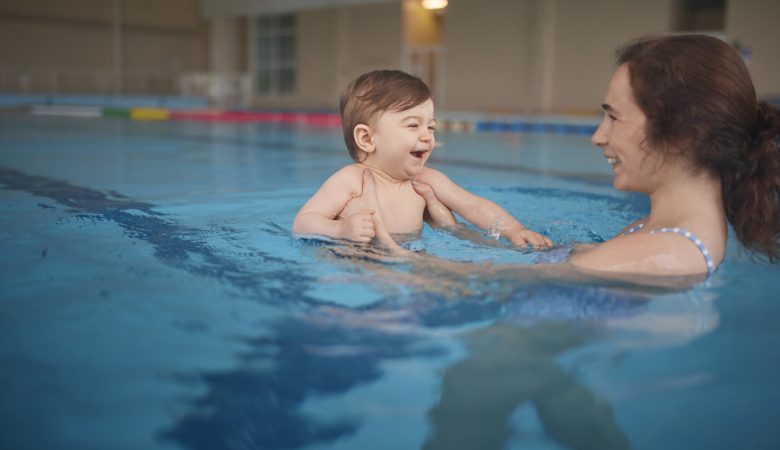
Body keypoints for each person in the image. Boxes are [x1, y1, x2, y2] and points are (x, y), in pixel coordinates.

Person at [401, 35, 779, 278]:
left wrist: (380, 255)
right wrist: (454, 229)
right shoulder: (662, 234)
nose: (598, 137)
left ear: (682, 134)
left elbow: (488, 284)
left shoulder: (663, 254)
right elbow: (534, 262)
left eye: (613, 117)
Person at [292, 70, 551, 248]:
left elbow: (473, 206)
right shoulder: (350, 180)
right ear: (367, 139)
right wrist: (340, 230)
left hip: (412, 256)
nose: (427, 136)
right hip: (355, 261)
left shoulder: (426, 180)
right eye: (413, 125)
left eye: (431, 126)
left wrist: (515, 230)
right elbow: (303, 222)